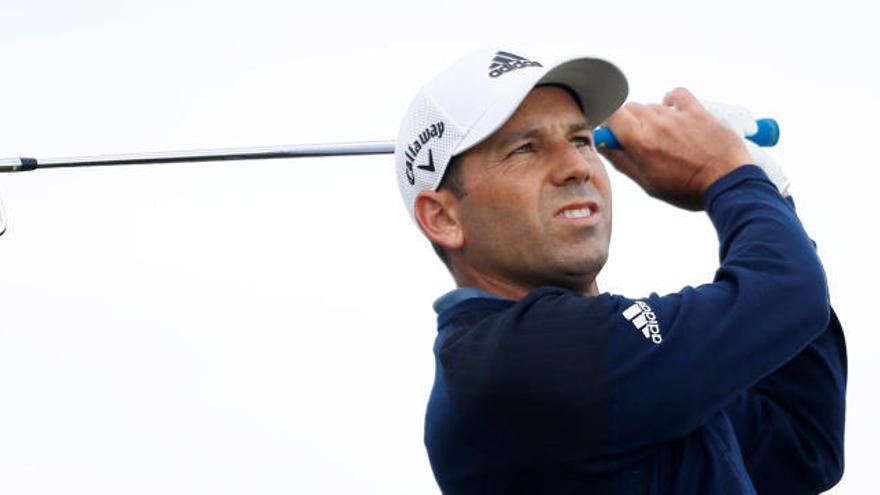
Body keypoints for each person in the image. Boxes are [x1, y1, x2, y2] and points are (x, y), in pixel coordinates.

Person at [394, 49, 846, 494]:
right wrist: (728, 173)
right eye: (525, 149)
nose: (575, 167)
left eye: (580, 140)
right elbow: (789, 295)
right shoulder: (511, 362)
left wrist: (769, 195)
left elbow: (801, 445)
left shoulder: (623, 382)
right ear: (444, 218)